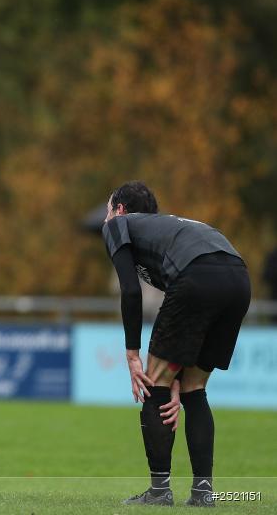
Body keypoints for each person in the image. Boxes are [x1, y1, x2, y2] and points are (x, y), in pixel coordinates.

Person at [102, 180, 250, 507]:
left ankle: (159, 492)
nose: (107, 216)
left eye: (109, 208)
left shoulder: (118, 226)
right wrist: (176, 376)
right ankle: (202, 494)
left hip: (198, 277)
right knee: (193, 390)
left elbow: (129, 291)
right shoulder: (168, 227)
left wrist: (131, 354)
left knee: (154, 383)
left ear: (121, 210)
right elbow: (187, 317)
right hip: (238, 278)